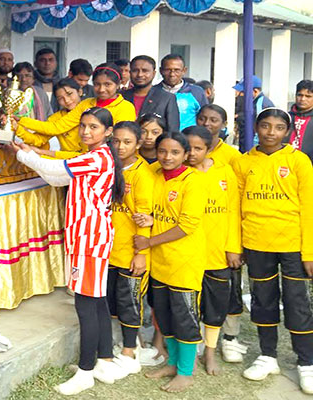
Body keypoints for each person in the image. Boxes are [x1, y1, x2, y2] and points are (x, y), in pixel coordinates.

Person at [11, 107, 127, 394]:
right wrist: (30, 156)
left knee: (85, 304)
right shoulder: (94, 156)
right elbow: (57, 179)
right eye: (83, 126)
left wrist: (23, 154)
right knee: (96, 300)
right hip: (87, 236)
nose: (86, 131)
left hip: (89, 239)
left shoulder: (96, 157)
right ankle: (103, 361)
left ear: (107, 132)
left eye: (93, 127)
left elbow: (54, 170)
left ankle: (85, 371)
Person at [232, 108, 313, 394]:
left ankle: (307, 362)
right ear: (256, 127)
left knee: (297, 302)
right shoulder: (243, 162)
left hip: (292, 245)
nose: (271, 132)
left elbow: (308, 207)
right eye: (265, 126)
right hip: (256, 243)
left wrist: (309, 252)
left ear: (287, 132)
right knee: (263, 300)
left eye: (279, 127)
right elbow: (235, 209)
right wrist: (235, 246)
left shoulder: (299, 161)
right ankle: (268, 356)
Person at [134, 131, 207, 393]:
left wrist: (149, 241)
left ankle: (186, 372)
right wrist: (152, 222)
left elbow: (186, 225)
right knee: (164, 317)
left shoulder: (194, 181)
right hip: (160, 262)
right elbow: (159, 211)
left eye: (175, 152)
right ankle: (173, 363)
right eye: (163, 151)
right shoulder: (153, 174)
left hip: (184, 262)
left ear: (186, 155)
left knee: (185, 318)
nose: (167, 157)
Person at [182, 126, 241, 376]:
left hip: (217, 252)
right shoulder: (180, 174)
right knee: (188, 304)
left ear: (209, 149)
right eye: (188, 148)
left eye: (198, 148)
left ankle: (210, 351)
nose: (192, 153)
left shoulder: (225, 172)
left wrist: (233, 248)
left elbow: (233, 212)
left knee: (215, 305)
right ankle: (190, 350)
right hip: (187, 252)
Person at [107, 121, 155, 376]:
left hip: (130, 252)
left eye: (127, 142)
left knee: (129, 303)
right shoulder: (109, 166)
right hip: (109, 249)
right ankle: (120, 344)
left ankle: (130, 350)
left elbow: (144, 218)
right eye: (116, 141)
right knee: (112, 301)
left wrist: (141, 254)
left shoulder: (142, 174)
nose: (120, 146)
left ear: (138, 144)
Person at [14, 63, 136, 159]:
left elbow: (118, 143)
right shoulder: (86, 104)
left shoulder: (125, 107)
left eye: (107, 84)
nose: (101, 89)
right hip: (81, 159)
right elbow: (57, 127)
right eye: (97, 84)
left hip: (109, 161)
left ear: (118, 84)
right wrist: (20, 122)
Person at [121, 55, 180, 132]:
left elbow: (172, 130)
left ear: (154, 73)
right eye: (135, 70)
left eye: (145, 71)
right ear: (130, 72)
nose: (140, 75)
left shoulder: (167, 98)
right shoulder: (121, 96)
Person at [158, 54, 207, 130]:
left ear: (184, 71)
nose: (172, 74)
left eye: (177, 70)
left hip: (188, 136)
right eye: (167, 70)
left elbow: (205, 116)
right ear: (161, 71)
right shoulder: (153, 92)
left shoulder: (196, 92)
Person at [234, 75, 274, 151]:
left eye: (244, 92)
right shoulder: (252, 103)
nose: (241, 94)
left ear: (255, 91)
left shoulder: (261, 105)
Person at [288, 79, 313, 162]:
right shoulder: (286, 118)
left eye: (308, 96)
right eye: (300, 95)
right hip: (285, 164)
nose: (302, 99)